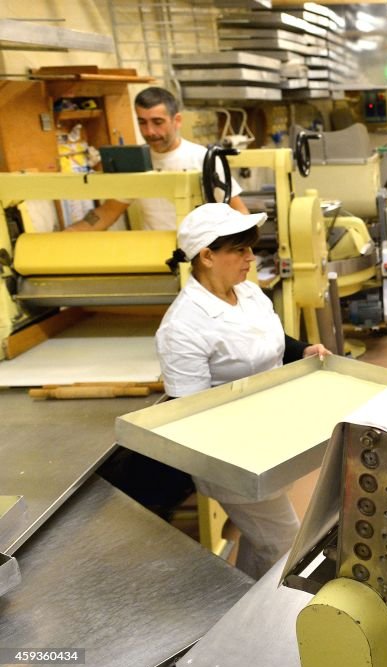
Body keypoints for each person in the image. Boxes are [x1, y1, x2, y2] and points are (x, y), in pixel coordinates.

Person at [156, 202, 330, 579]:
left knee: (260, 539)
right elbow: (191, 413)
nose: (251, 258)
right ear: (206, 256)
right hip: (233, 458)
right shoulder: (183, 327)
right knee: (287, 544)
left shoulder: (247, 293)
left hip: (273, 437)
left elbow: (269, 339)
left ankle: (246, 601)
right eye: (240, 250)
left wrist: (303, 351)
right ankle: (274, 627)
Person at [67, 86, 247, 232]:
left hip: (202, 256)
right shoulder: (136, 163)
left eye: (158, 122)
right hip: (158, 255)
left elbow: (238, 211)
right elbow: (107, 213)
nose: (150, 132)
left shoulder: (203, 159)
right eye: (142, 123)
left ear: (177, 120)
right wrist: (69, 234)